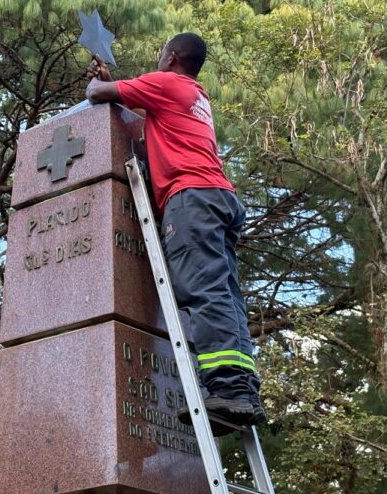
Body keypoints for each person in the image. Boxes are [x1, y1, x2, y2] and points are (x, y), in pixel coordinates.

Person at [85, 32, 265, 433]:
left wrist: (98, 81)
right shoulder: (195, 95)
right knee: (226, 296)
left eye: (160, 53)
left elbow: (98, 94)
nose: (157, 59)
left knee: (202, 290)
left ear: (170, 58)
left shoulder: (166, 83)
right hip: (218, 197)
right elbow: (138, 104)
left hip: (192, 199)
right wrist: (114, 81)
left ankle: (227, 390)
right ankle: (241, 388)